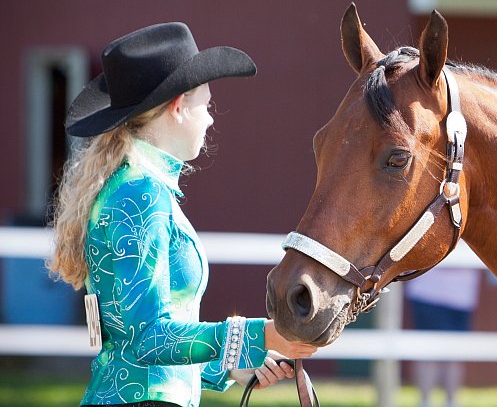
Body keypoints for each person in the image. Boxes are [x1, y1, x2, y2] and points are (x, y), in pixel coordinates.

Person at [48, 22, 317, 407]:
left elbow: (134, 343)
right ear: (178, 107)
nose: (209, 119)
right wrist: (260, 335)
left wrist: (228, 367)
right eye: (205, 106)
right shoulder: (140, 194)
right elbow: (147, 338)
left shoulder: (136, 188)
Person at [405, 265, 481, 407]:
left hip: (461, 297)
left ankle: (449, 401)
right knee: (428, 354)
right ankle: (426, 401)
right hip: (429, 293)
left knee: (454, 355)